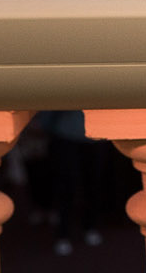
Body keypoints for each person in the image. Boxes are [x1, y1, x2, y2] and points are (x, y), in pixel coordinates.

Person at [38, 109, 108, 256]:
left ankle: (90, 227)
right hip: (65, 136)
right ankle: (62, 234)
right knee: (65, 186)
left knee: (93, 184)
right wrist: (45, 125)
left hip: (95, 135)